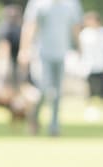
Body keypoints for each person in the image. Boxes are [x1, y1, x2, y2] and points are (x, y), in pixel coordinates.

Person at [18, 0, 83, 136]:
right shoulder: (38, 4)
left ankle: (54, 126)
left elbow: (76, 27)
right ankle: (34, 119)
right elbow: (30, 26)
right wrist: (24, 50)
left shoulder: (72, 4)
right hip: (42, 53)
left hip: (62, 53)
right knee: (43, 88)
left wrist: (80, 48)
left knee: (58, 92)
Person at [78, 11, 103, 120]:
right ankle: (89, 102)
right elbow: (81, 49)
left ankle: (102, 101)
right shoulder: (85, 33)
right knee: (90, 85)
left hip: (102, 63)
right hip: (89, 64)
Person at [0, 3, 23, 95]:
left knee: (15, 87)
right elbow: (3, 46)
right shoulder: (5, 28)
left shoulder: (19, 28)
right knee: (1, 87)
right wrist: (3, 61)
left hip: (15, 61)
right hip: (7, 61)